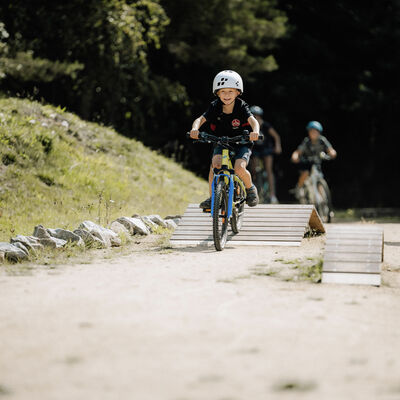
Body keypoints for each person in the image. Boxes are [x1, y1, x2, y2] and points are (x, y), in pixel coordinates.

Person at [189, 70, 260, 208]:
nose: (226, 95)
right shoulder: (215, 106)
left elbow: (253, 121)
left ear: (238, 92)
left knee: (239, 168)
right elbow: (200, 119)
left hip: (241, 142)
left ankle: (250, 188)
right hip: (221, 141)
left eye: (230, 91)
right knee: (214, 166)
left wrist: (255, 132)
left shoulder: (241, 106)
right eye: (223, 92)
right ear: (217, 93)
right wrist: (195, 129)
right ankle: (212, 198)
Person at [291, 120, 337, 199]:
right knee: (305, 173)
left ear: (319, 132)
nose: (313, 133)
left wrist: (332, 153)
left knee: (320, 178)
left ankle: (324, 204)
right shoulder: (307, 141)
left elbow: (330, 149)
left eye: (315, 132)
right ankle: (299, 187)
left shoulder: (322, 140)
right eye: (311, 131)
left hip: (317, 163)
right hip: (307, 163)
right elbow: (298, 151)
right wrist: (295, 156)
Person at [248, 105, 281, 204]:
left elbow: (276, 136)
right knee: (253, 169)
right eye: (254, 116)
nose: (256, 118)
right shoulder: (249, 126)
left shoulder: (266, 125)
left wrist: (278, 146)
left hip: (266, 149)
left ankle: (272, 195)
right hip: (255, 149)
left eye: (258, 116)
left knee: (269, 170)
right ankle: (253, 188)